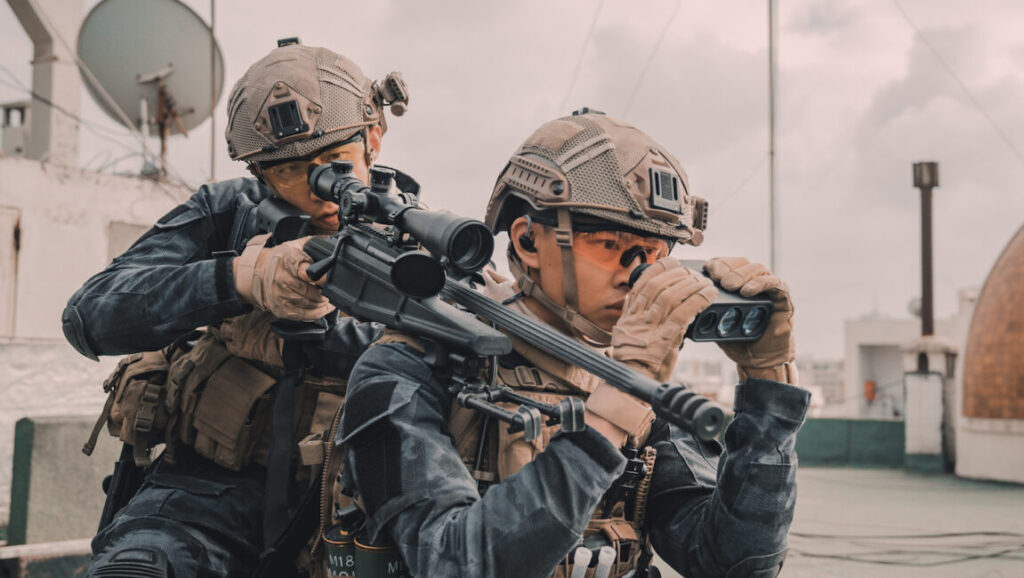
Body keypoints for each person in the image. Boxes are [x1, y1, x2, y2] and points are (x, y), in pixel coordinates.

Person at [335, 110, 811, 577]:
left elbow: (730, 563)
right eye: (610, 245)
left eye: (655, 254)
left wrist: (769, 393)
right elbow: (454, 562)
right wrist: (620, 399)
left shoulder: (631, 378)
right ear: (528, 242)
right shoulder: (411, 364)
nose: (636, 274)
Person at [62, 39, 412, 578]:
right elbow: (90, 316)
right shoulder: (231, 211)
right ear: (259, 174)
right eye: (290, 172)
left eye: (334, 163)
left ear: (374, 138)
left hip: (351, 506)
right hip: (202, 497)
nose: (320, 189)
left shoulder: (419, 242)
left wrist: (309, 333)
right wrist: (237, 280)